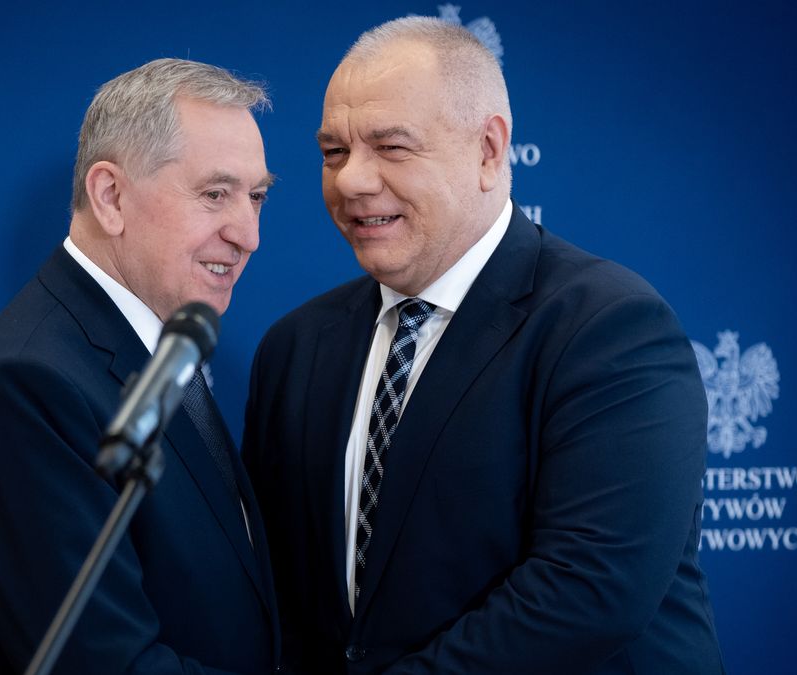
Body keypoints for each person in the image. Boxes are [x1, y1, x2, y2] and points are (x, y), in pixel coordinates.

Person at [243, 18, 723, 675]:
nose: (351, 181)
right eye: (333, 152)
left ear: (490, 151)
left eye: (391, 147)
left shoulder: (611, 328)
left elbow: (590, 590)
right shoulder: (294, 349)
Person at [0, 58, 279, 674]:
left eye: (256, 197)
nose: (247, 234)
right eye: (214, 194)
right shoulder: (26, 384)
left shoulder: (158, 341)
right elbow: (104, 663)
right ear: (110, 196)